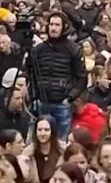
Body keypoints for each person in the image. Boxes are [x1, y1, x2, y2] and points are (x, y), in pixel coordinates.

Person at [31, 12, 88, 141]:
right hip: (41, 101)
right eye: (51, 24)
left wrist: (70, 97)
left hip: (62, 103)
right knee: (40, 140)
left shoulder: (73, 49)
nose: (53, 28)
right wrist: (34, 94)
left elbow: (81, 77)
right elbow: (31, 74)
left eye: (57, 25)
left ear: (64, 27)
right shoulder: (39, 49)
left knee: (61, 141)